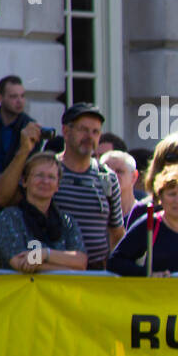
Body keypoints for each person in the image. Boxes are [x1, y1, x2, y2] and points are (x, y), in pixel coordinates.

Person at [48, 104, 123, 270]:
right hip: (54, 272)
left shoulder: (107, 177)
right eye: (84, 130)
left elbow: (117, 233)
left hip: (96, 275)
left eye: (95, 132)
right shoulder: (47, 172)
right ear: (66, 132)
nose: (90, 136)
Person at [0, 152, 87, 272]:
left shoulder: (67, 221)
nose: (45, 181)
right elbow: (19, 263)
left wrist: (44, 254)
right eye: (39, 175)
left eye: (51, 177)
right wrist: (68, 268)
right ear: (24, 181)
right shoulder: (10, 217)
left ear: (57, 186)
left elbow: (81, 261)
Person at [0, 75, 39, 182]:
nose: (20, 101)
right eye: (14, 97)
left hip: (14, 187)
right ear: (0, 98)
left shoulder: (29, 127)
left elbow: (28, 166)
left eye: (22, 96)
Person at [100, 149, 141, 224]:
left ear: (134, 176)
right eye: (105, 171)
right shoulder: (93, 214)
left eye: (119, 171)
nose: (112, 176)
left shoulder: (142, 215)